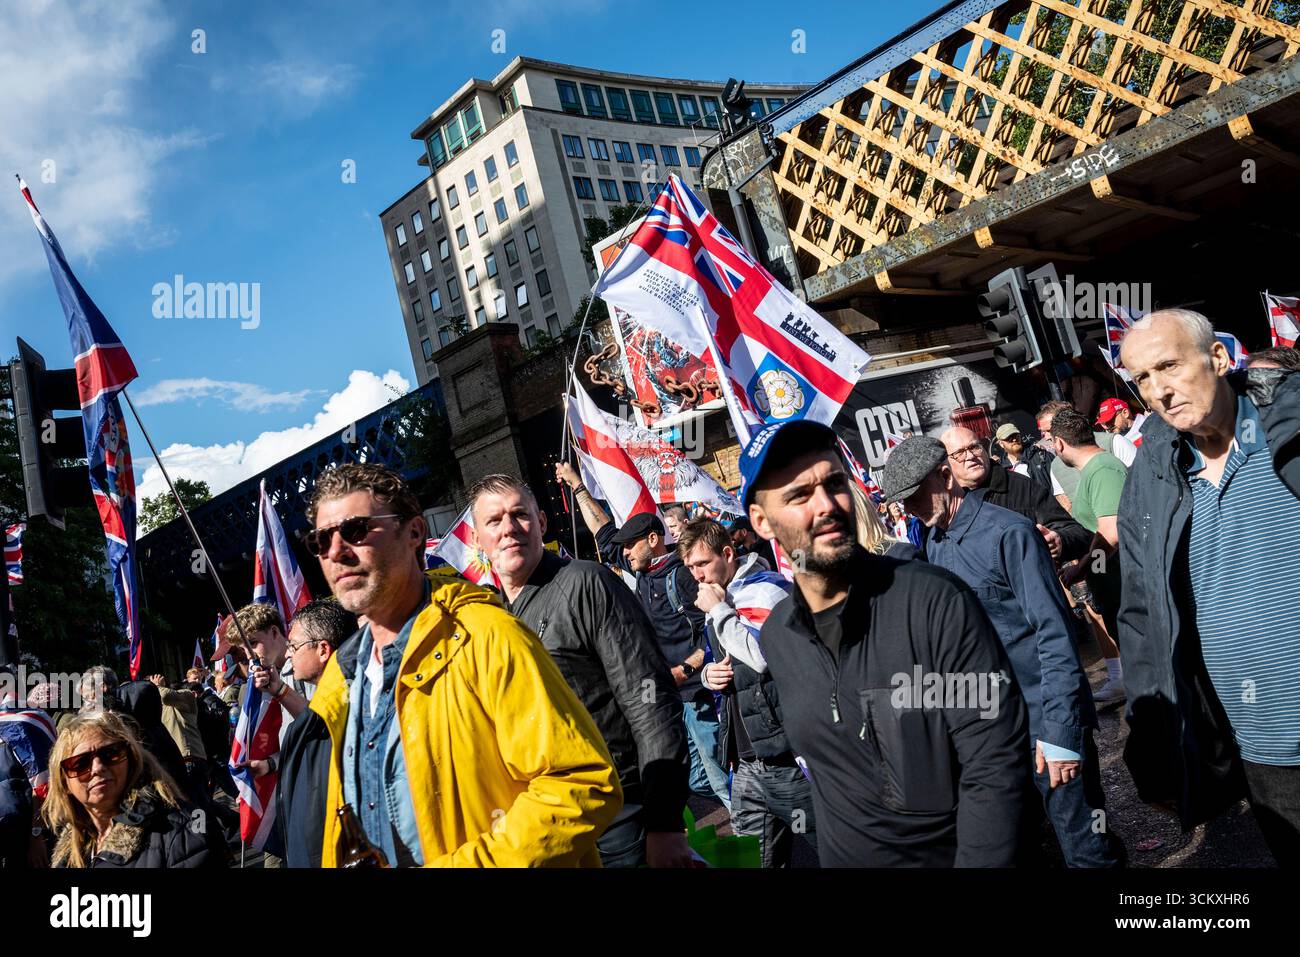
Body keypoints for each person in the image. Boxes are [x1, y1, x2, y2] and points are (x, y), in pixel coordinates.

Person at [304, 462, 621, 866]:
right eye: (321, 540)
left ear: (414, 532)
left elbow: (580, 782)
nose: (336, 552)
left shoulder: (487, 636)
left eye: (355, 530)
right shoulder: (339, 677)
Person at [742, 419, 1029, 866]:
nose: (826, 506)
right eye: (799, 495)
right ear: (761, 521)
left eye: (835, 484)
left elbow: (993, 765)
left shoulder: (934, 600)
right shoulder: (780, 635)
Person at [884, 437, 1120, 868]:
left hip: (1043, 722)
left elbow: (1054, 635)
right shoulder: (933, 542)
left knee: (1085, 848)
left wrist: (1061, 734)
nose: (911, 508)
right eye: (903, 502)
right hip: (993, 731)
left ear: (944, 475)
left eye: (916, 495)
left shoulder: (1009, 533)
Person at [1118, 308, 1300, 863]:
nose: (1159, 391)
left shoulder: (1283, 435)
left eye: (1169, 366)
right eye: (1143, 379)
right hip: (1262, 745)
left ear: (1219, 358)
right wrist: (1152, 741)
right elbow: (1142, 614)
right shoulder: (1152, 480)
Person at [469, 473, 692, 868]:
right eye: (494, 521)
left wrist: (665, 824)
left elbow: (651, 702)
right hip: (549, 826)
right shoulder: (491, 618)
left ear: (542, 521)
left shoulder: (587, 582)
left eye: (519, 514)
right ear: (477, 540)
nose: (509, 529)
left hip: (621, 819)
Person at [557, 460, 732, 811]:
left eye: (630, 545)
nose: (623, 552)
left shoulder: (682, 576)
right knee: (694, 778)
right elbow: (603, 531)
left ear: (653, 540)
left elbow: (711, 633)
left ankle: (759, 833)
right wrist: (577, 485)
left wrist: (684, 670)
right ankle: (752, 803)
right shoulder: (643, 574)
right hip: (671, 702)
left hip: (696, 697)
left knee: (718, 780)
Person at [679, 518, 818, 867]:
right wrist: (710, 675)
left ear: (727, 553)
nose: (697, 575)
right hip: (744, 763)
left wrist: (720, 611)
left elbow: (760, 656)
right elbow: (721, 658)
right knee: (751, 861)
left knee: (837, 849)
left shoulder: (765, 590)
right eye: (690, 567)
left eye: (702, 564)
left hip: (786, 759)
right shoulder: (719, 599)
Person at [43, 711, 228, 868]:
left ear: (131, 761)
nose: (98, 767)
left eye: (110, 754)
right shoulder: (69, 850)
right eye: (80, 763)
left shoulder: (183, 832)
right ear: (64, 782)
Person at [1046, 409, 1128, 704]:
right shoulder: (1092, 470)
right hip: (1111, 586)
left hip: (1125, 586)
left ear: (1059, 443)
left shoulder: (1103, 468)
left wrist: (1081, 568)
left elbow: (1110, 534)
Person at [275, 599, 357, 868]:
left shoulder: (351, 712)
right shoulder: (322, 714)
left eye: (293, 646)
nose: (287, 654)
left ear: (323, 649)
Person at [940, 426, 1092, 564]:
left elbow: (1076, 533)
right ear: (946, 463)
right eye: (959, 453)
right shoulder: (944, 505)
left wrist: (1060, 541)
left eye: (974, 447)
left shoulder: (1023, 487)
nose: (970, 456)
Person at [1036, 399, 1136, 510]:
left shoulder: (1114, 442)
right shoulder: (1055, 466)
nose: (1046, 437)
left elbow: (1143, 481)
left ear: (1068, 421)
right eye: (1043, 432)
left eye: (1050, 430)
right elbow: (1067, 507)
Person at [147, 674, 208, 807]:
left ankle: (227, 823)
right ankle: (229, 822)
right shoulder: (162, 709)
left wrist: (157, 686)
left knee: (198, 806)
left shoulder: (187, 696)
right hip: (179, 763)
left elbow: (165, 696)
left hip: (191, 760)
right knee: (198, 805)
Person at [992, 423, 1054, 491]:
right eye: (1009, 438)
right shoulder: (1001, 469)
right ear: (1001, 444)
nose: (1014, 440)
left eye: (1016, 436)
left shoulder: (1040, 455)